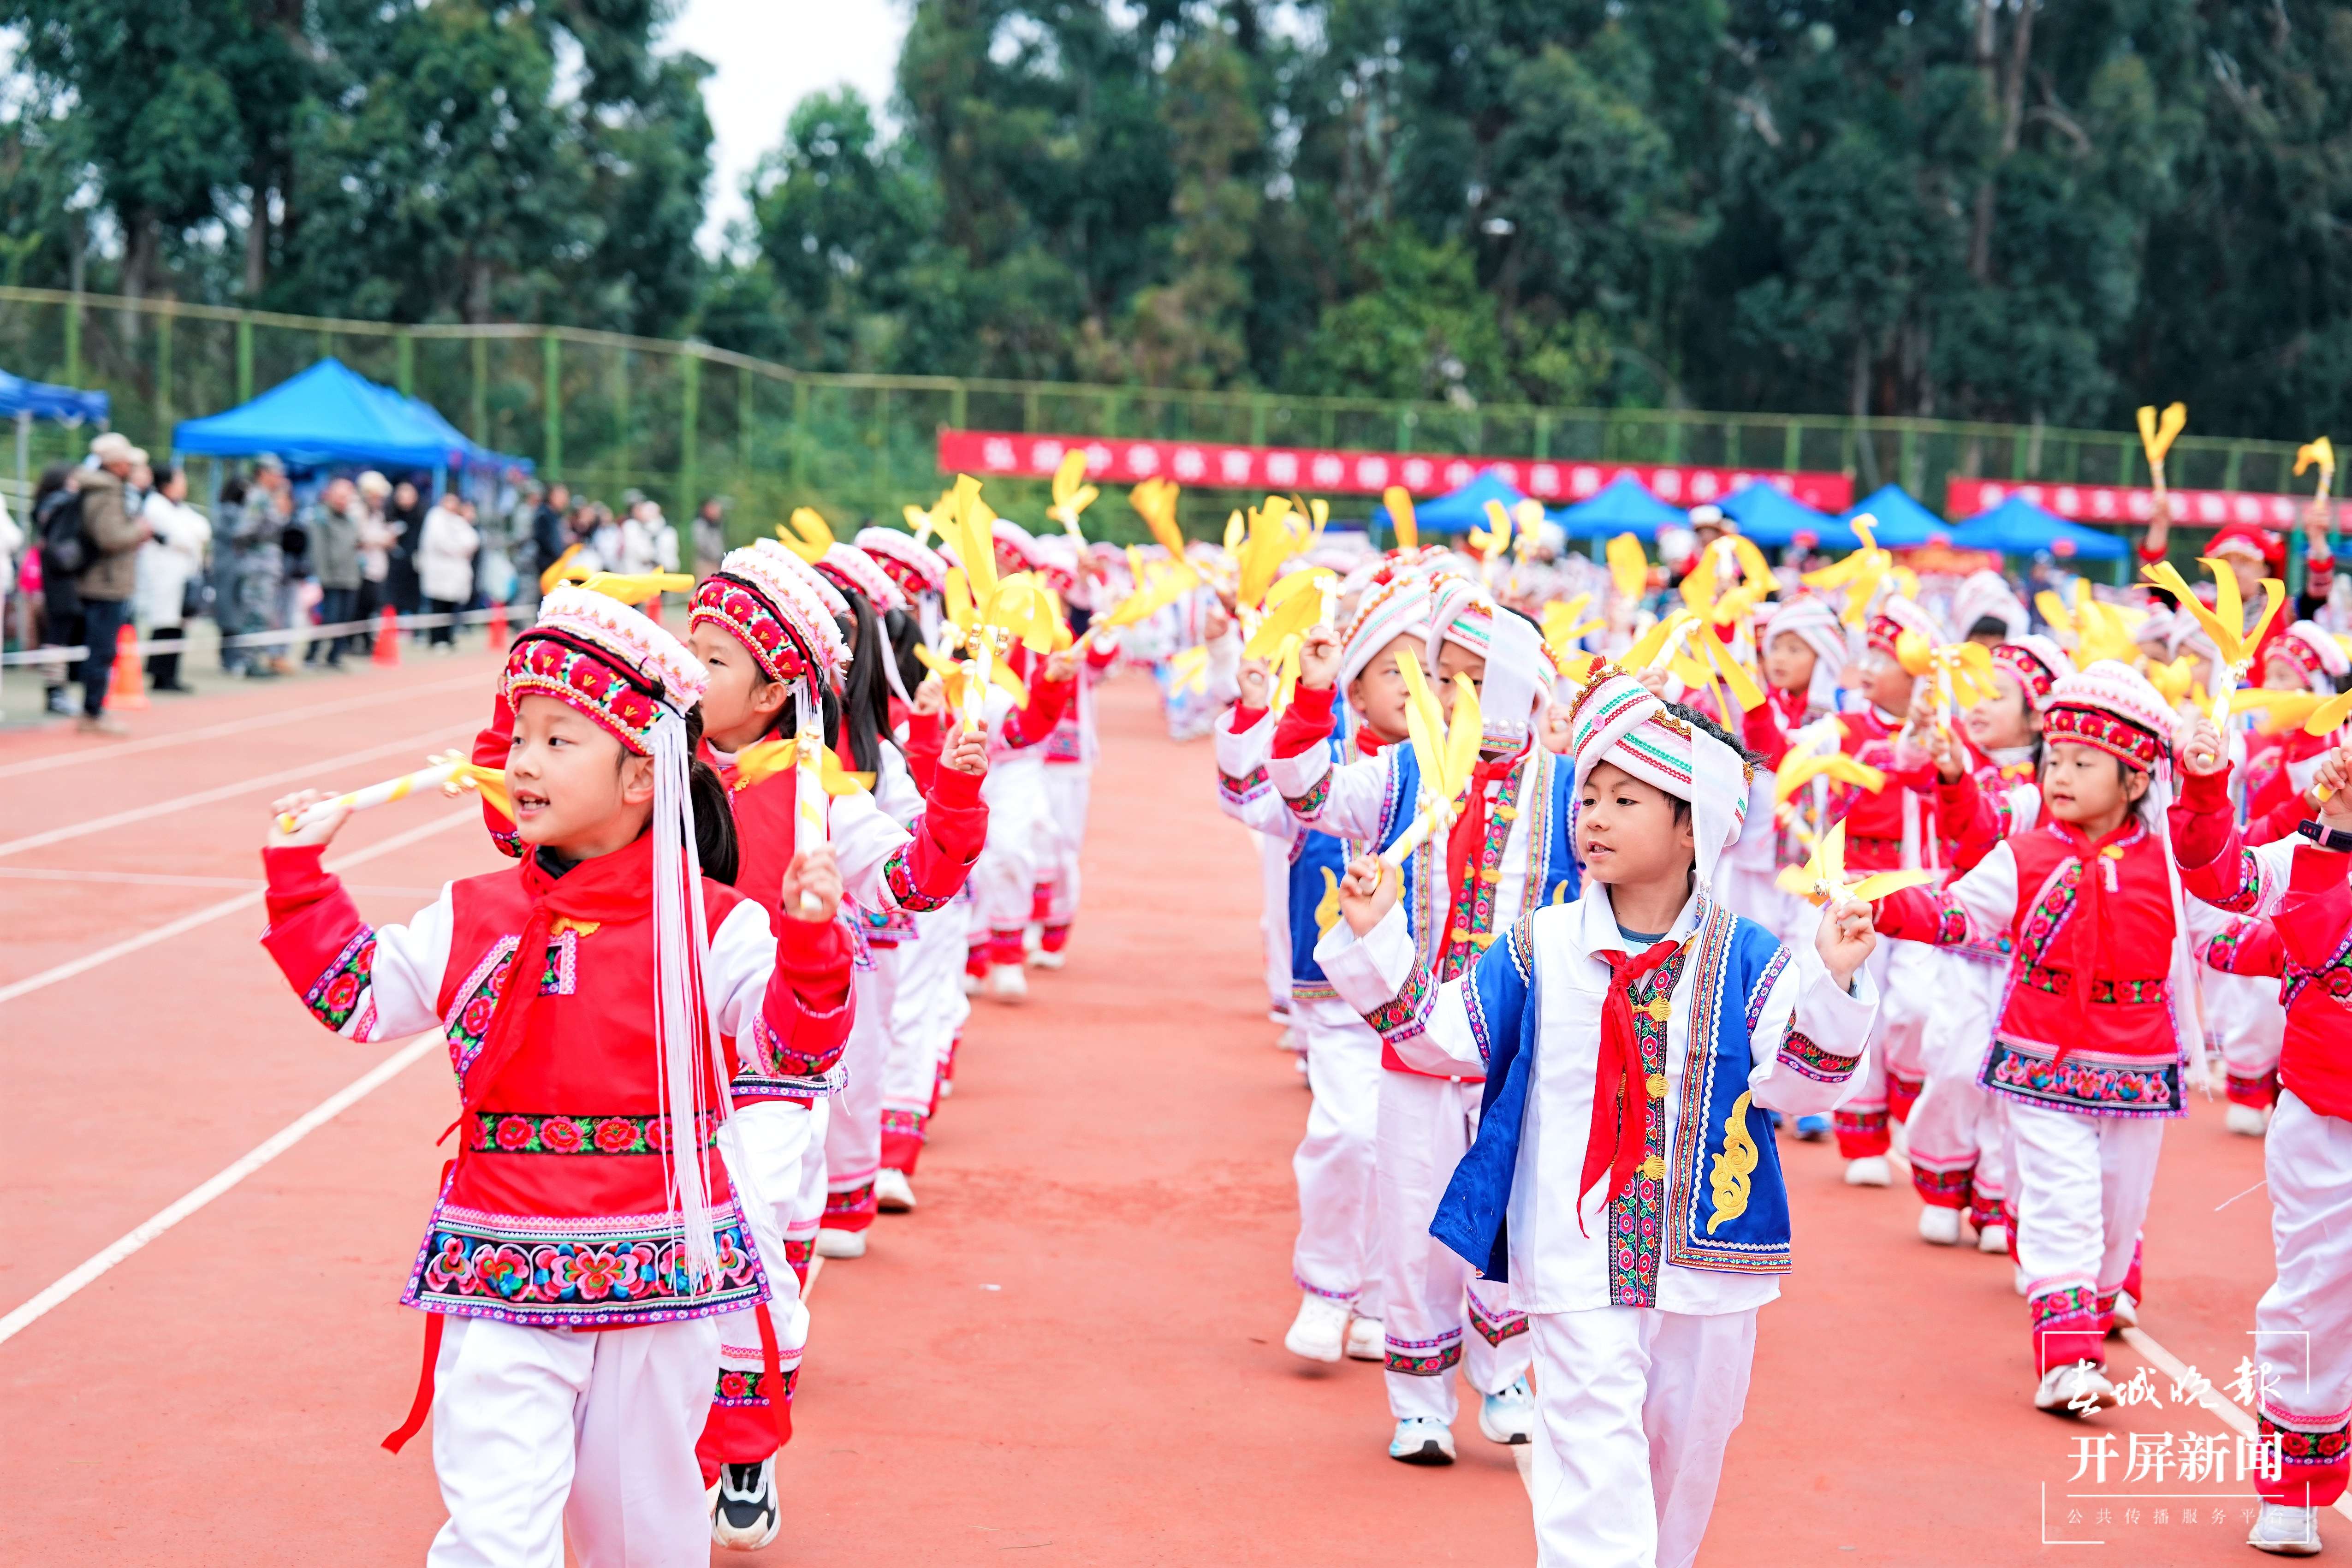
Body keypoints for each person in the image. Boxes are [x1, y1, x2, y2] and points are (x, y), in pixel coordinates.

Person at [258, 583, 855, 1568]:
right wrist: (299, 878)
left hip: (662, 1279)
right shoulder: (475, 912)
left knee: (643, 1534)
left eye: (557, 739)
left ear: (639, 776)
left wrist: (812, 944)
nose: (523, 762)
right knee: (494, 1533)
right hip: (502, 1274)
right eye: (520, 736)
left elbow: (796, 1052)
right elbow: (359, 997)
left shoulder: (718, 925)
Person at [1323, 665, 1880, 1568]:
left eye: (1627, 799)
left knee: (1683, 1459)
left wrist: (1839, 982)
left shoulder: (1751, 956)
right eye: (1588, 796)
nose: (1594, 816)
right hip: (1575, 1251)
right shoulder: (1538, 946)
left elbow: (1803, 1086)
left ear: (1694, 825)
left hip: (1713, 1258)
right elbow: (1435, 1037)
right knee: (1591, 1458)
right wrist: (1378, 938)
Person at [1272, 575, 1568, 1465]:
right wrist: (1309, 696)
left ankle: (1507, 1374)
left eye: (1471, 677)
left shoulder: (1570, 790)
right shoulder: (1400, 773)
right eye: (1442, 677)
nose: (1448, 697)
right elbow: (1308, 795)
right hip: (1418, 1035)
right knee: (1412, 1215)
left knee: (1520, 1215)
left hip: (1526, 1048)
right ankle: (1419, 1401)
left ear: (1521, 684)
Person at [1872, 662, 2200, 1414]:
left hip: (2138, 1065)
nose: (2061, 775)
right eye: (2055, 760)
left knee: (2119, 1216)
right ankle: (2067, 1360)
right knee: (2064, 1206)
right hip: (2039, 1061)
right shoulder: (2026, 856)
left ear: (2137, 782)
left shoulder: (2171, 862)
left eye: (2085, 764)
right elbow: (1955, 915)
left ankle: (2103, 1295)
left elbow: (2227, 924)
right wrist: (1880, 914)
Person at [1219, 573, 1429, 1366]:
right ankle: (1326, 1289)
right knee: (1347, 1133)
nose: (1417, 689)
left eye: (1435, 673)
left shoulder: (1463, 776)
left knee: (1409, 1150)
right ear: (1357, 686)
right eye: (1393, 671)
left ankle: (1380, 1299)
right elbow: (1251, 797)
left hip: (1431, 998)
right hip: (1342, 991)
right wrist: (1260, 708)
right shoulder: (1326, 760)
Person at [2172, 742, 2352, 1556]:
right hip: (2325, 1124)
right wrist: (2207, 786)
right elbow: (2214, 877)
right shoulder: (2302, 857)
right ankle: (2296, 1488)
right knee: (2316, 1299)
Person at [70, 433, 151, 735]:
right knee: (102, 649)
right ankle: (92, 712)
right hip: (104, 582)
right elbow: (109, 537)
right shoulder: (107, 492)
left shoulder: (102, 489)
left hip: (107, 580)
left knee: (103, 648)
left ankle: (93, 709)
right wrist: (138, 531)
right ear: (117, 465)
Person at [133, 464, 211, 692]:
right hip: (162, 575)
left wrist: (190, 537)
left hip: (182, 576)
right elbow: (183, 538)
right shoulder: (155, 506)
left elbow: (203, 530)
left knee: (178, 625)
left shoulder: (178, 508)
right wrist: (189, 538)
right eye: (180, 479)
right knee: (164, 625)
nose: (183, 484)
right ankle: (160, 675)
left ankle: (170, 675)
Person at [418, 491, 480, 647]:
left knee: (451, 608)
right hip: (440, 573)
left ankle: (447, 636)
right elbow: (443, 544)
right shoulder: (436, 518)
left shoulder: (458, 521)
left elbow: (472, 542)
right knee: (438, 607)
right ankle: (437, 639)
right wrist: (459, 549)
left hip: (455, 576)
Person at [354, 471, 395, 638]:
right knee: (360, 608)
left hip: (376, 569)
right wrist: (382, 539)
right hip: (361, 569)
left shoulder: (377, 513)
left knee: (372, 606)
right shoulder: (357, 511)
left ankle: (367, 641)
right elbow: (360, 538)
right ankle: (355, 641)